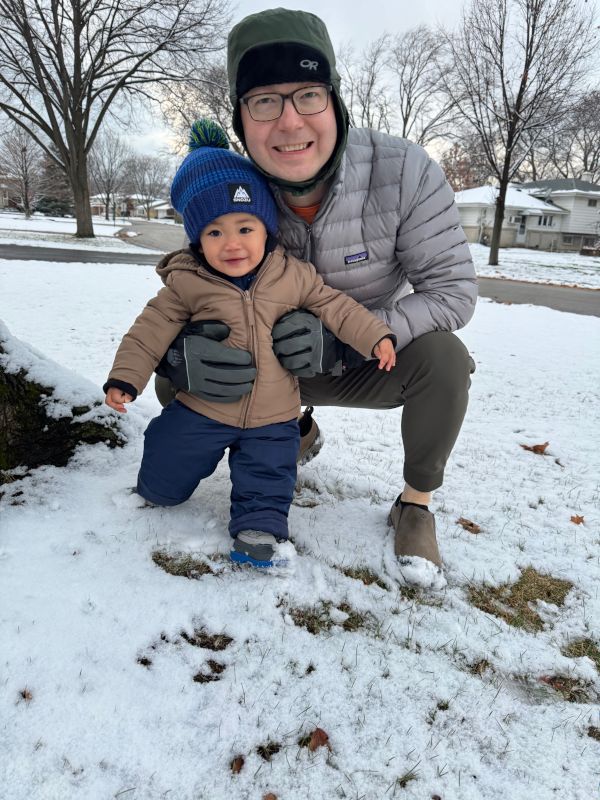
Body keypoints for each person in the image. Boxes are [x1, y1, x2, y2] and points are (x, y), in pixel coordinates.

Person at [155, 9, 478, 576]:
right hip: (269, 368)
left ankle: (415, 504)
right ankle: (291, 431)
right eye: (264, 101)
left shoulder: (404, 171)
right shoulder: (225, 186)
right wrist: (179, 350)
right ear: (240, 118)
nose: (289, 123)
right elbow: (190, 285)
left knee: (445, 361)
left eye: (307, 94)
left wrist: (345, 340)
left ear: (334, 101)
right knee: (175, 377)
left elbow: (451, 293)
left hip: (364, 357)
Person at [104, 119, 396, 569]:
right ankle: (157, 487)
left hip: (273, 416)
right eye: (215, 232)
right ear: (198, 239)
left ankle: (258, 530)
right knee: (167, 455)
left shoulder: (293, 275)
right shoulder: (188, 282)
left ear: (266, 228)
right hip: (204, 407)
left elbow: (336, 307)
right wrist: (126, 377)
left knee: (270, 476)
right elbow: (150, 329)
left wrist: (374, 335)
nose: (232, 243)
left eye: (245, 227)